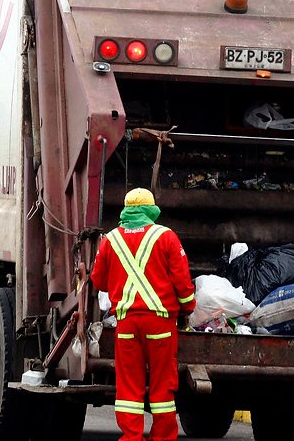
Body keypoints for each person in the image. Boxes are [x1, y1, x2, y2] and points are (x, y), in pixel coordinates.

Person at [90, 188, 196, 441]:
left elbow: (98, 281)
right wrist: (188, 308)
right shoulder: (166, 236)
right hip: (160, 324)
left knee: (128, 385)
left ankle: (131, 437)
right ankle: (162, 437)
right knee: (162, 383)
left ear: (126, 210)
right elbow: (182, 282)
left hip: (126, 325)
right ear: (151, 209)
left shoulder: (111, 239)